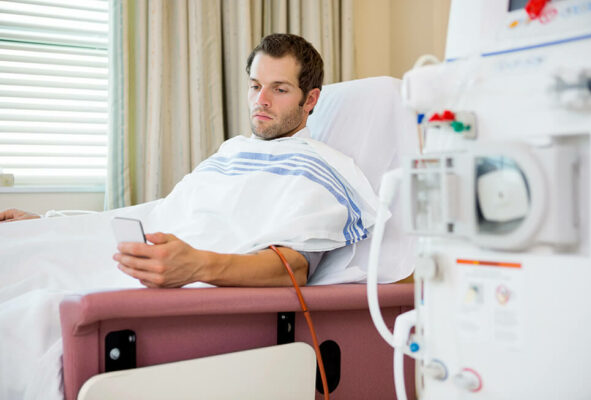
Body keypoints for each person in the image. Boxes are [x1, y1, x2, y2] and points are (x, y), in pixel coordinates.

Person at [0, 33, 340, 289]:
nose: (260, 101)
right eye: (255, 86)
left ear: (310, 99)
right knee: (19, 247)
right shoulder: (232, 153)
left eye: (279, 89)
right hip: (149, 266)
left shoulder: (316, 170)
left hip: (188, 289)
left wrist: (198, 266)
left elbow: (294, 267)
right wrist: (51, 223)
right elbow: (163, 214)